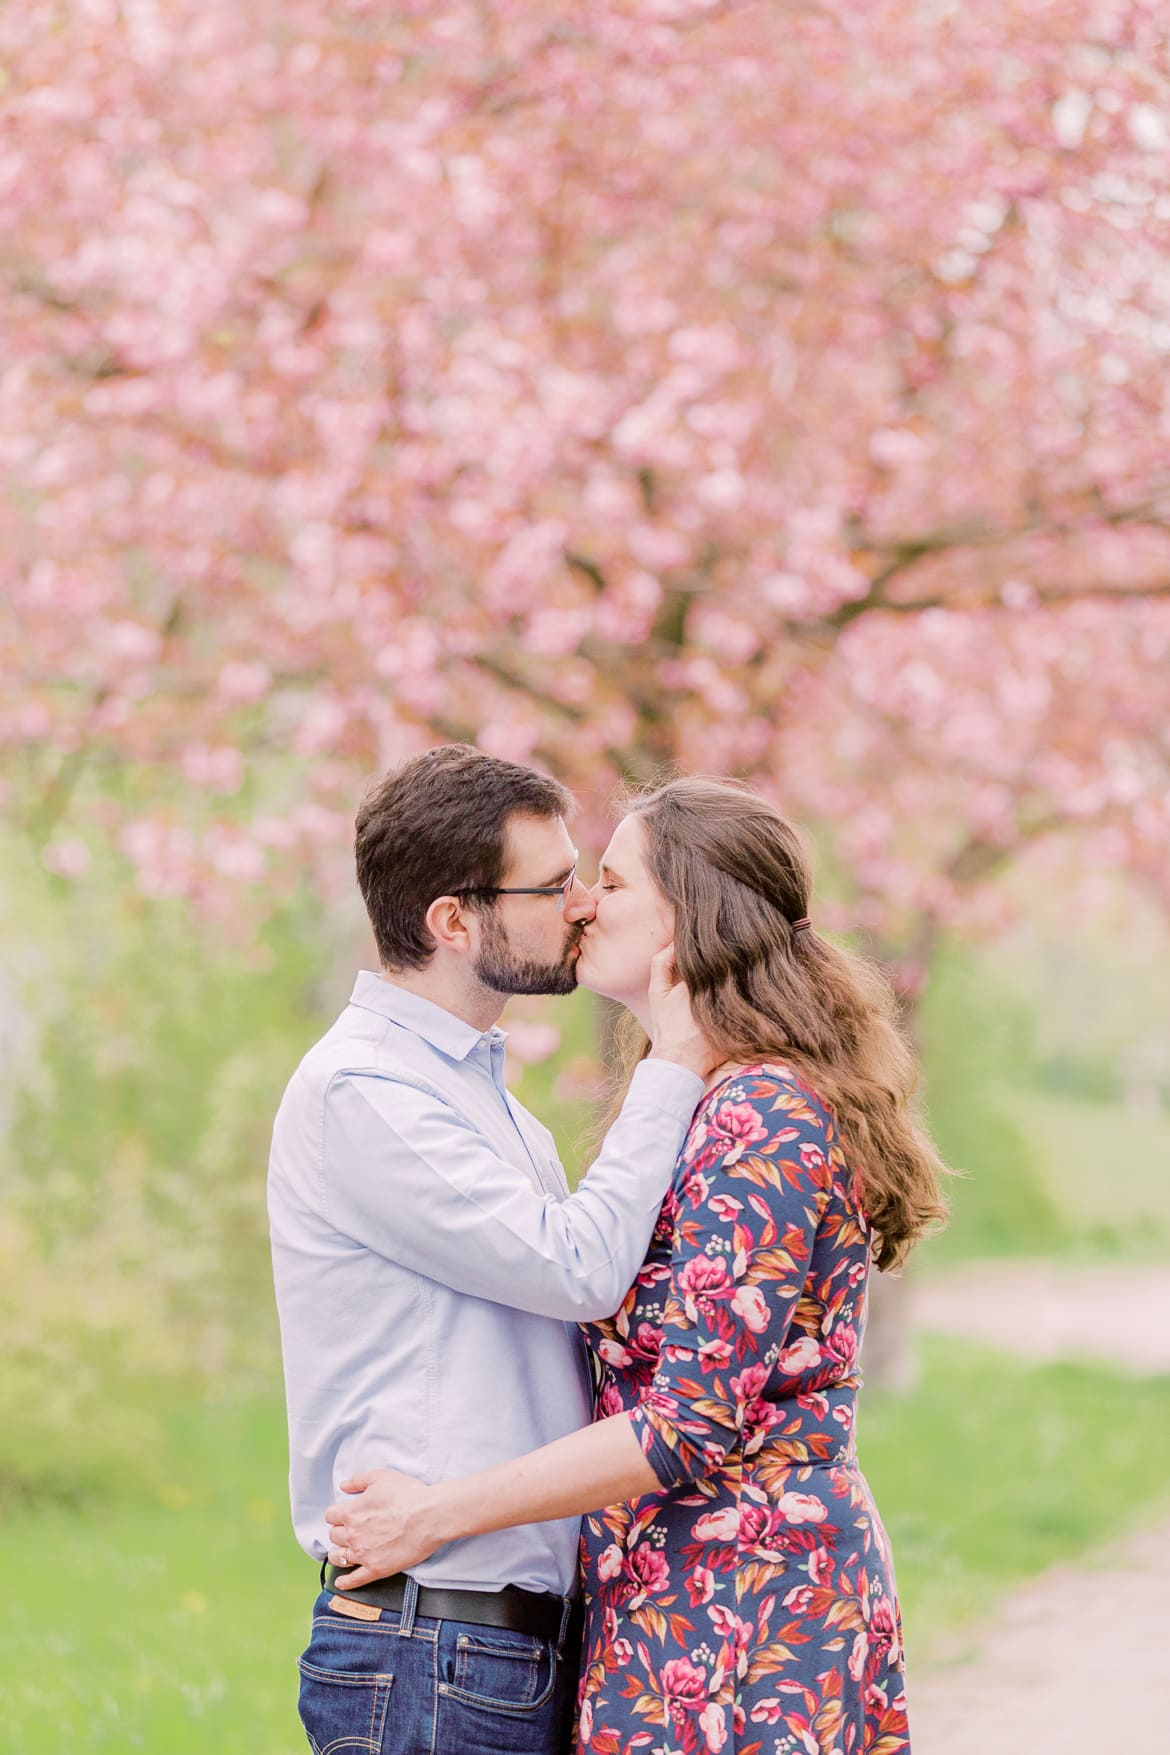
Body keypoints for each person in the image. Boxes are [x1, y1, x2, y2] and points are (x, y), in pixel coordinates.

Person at [322, 776, 949, 1755]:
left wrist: (434, 1517)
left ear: (686, 913)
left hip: (752, 1608)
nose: (581, 904)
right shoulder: (695, 1104)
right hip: (670, 1601)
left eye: (607, 881)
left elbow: (686, 1425)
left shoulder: (760, 1112)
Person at [267, 745, 713, 1755]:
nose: (584, 905)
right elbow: (578, 1268)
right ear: (454, 920)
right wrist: (675, 1064)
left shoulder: (479, 1100)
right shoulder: (366, 1095)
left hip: (487, 1647)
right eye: (553, 886)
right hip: (432, 1644)